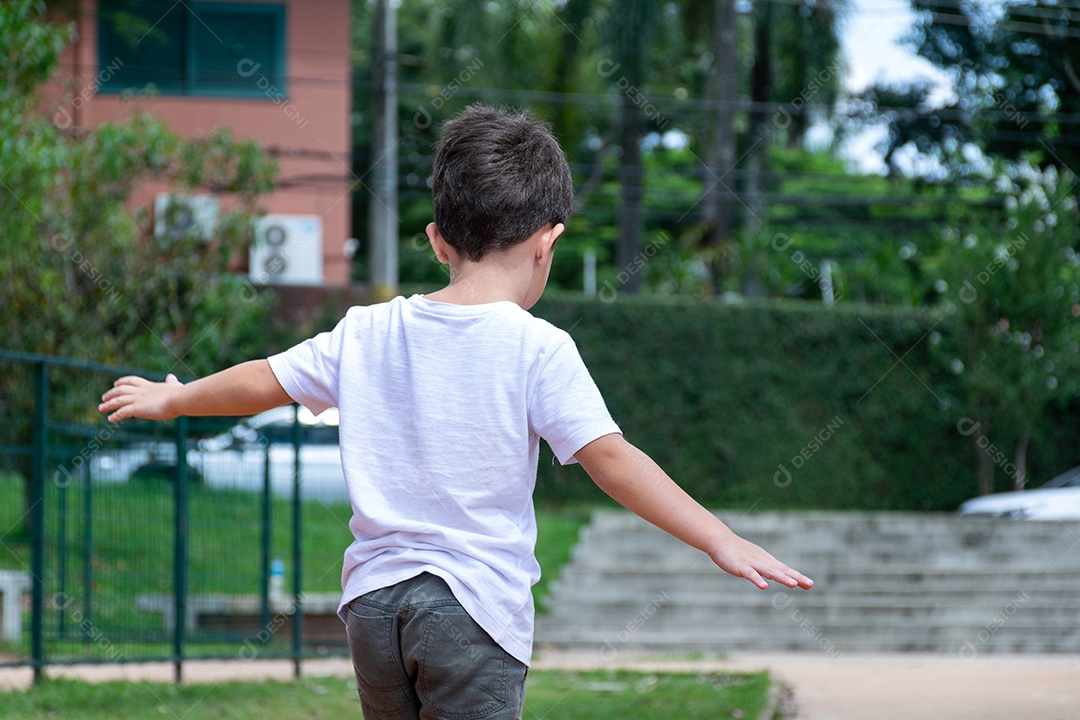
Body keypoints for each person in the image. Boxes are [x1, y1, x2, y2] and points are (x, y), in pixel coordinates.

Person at [99, 104, 813, 720]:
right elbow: (612, 460)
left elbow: (266, 380)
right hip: (472, 607)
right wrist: (719, 538)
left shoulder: (366, 329)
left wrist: (174, 397)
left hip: (374, 609)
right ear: (549, 242)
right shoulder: (539, 347)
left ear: (439, 242)